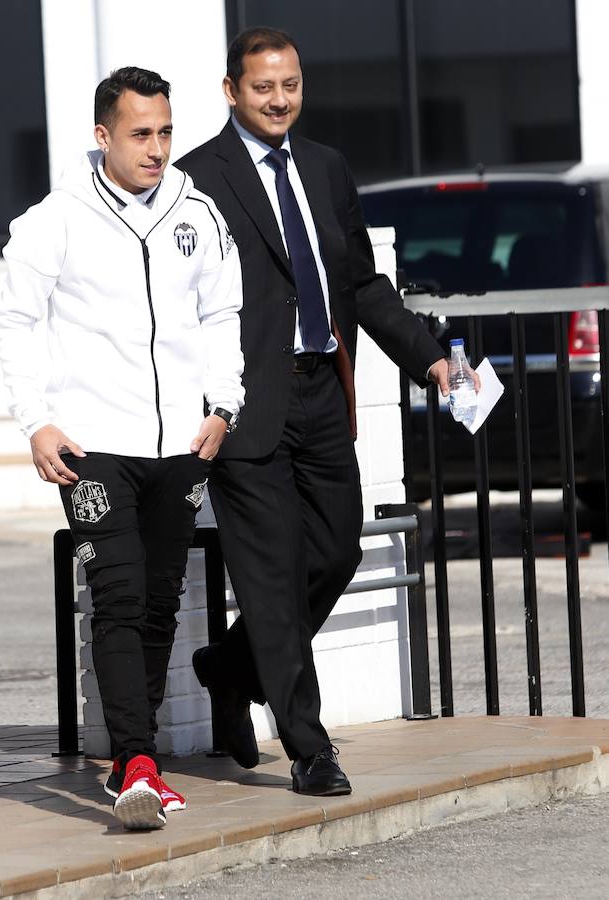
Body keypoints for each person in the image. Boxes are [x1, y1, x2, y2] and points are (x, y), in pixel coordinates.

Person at [177, 27, 460, 796]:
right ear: (231, 89)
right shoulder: (196, 178)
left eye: (290, 85)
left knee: (334, 553)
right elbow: (181, 302)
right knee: (268, 577)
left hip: (320, 393)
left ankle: (229, 668)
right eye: (263, 87)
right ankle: (309, 747)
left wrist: (427, 354)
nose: (279, 100)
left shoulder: (326, 169)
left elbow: (361, 284)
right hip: (245, 405)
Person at [0, 67, 244, 830]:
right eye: (140, 134)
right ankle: (138, 760)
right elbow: (14, 321)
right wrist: (35, 420)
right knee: (120, 595)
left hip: (181, 444)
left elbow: (222, 314)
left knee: (163, 600)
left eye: (165, 131)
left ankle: (131, 758)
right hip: (91, 444)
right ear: (102, 135)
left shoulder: (195, 210)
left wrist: (224, 406)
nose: (156, 148)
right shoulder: (54, 220)